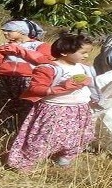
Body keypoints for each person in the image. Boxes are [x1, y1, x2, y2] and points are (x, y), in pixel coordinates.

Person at [6, 33, 98, 170]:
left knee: (78, 136)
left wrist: (95, 98)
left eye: (87, 53)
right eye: (83, 52)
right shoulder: (48, 68)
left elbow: (92, 85)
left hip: (79, 109)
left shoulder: (84, 68)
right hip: (55, 110)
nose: (86, 56)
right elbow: (36, 88)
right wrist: (59, 89)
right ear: (64, 52)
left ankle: (64, 159)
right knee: (42, 139)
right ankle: (24, 163)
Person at [0, 19, 52, 133]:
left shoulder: (40, 45)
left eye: (9, 30)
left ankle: (23, 131)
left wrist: (19, 50)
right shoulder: (5, 45)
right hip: (2, 77)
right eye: (4, 30)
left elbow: (44, 60)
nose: (5, 33)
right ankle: (6, 129)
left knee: (25, 105)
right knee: (2, 103)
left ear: (22, 32)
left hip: (27, 78)